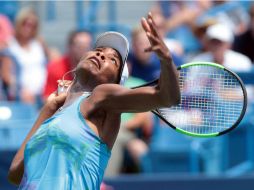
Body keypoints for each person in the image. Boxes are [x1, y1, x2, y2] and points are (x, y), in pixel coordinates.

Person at [8, 13, 180, 189]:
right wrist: (49, 107)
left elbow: (168, 97)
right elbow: (15, 173)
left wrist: (166, 59)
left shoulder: (101, 96)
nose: (102, 55)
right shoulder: (54, 113)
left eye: (113, 60)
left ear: (115, 83)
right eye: (98, 51)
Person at [7, 7, 48, 104]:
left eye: (32, 26)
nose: (27, 28)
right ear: (18, 24)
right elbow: (7, 75)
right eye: (24, 24)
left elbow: (54, 58)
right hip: (22, 96)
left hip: (42, 94)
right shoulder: (10, 44)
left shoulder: (39, 43)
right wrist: (20, 90)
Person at [43, 30, 92, 98]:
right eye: (79, 46)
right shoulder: (55, 68)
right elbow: (47, 98)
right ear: (70, 46)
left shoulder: (93, 70)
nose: (83, 49)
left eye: (86, 46)